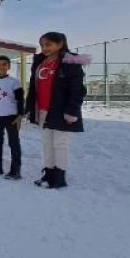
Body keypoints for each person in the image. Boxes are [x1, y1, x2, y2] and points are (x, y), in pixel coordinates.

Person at [26, 32, 89, 189]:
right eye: (42, 45)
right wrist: (29, 107)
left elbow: (78, 89)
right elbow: (34, 87)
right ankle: (49, 172)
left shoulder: (69, 62)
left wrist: (72, 110)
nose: (44, 48)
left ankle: (60, 177)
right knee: (47, 142)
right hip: (42, 109)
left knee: (60, 143)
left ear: (60, 44)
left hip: (60, 110)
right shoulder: (40, 62)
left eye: (48, 44)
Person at [0, 56, 24, 179]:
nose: (1, 66)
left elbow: (20, 100)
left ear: (8, 67)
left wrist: (20, 116)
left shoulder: (14, 82)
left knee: (13, 143)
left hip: (11, 116)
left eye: (4, 64)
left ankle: (15, 170)